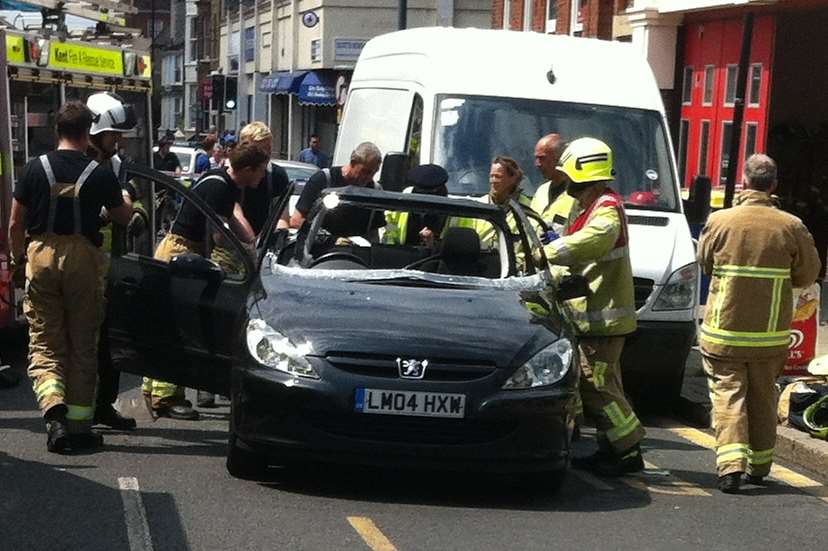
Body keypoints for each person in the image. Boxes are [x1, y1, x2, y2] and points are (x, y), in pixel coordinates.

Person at [8, 101, 133, 453]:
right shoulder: (99, 172)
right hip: (82, 260)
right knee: (82, 345)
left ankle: (53, 414)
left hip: (41, 256)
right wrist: (127, 199)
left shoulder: (35, 169)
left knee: (45, 342)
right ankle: (80, 427)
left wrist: (19, 261)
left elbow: (16, 223)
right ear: (86, 133)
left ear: (58, 131)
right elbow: (123, 217)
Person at [697, 154, 820, 494]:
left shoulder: (720, 221)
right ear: (774, 185)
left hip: (725, 331)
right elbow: (808, 274)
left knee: (728, 394)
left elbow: (705, 264)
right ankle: (761, 465)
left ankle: (731, 467)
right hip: (770, 335)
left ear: (745, 182)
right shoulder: (792, 226)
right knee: (764, 396)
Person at [142, 143, 268, 420]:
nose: (262, 177)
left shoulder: (222, 182)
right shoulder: (220, 186)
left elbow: (229, 226)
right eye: (260, 171)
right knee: (178, 325)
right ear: (247, 169)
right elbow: (220, 233)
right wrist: (241, 249)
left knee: (171, 323)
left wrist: (251, 243)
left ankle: (156, 389)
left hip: (188, 250)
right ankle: (165, 397)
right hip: (181, 251)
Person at [543, 137, 645, 476]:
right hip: (591, 317)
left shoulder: (605, 207)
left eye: (567, 173)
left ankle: (627, 448)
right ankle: (613, 447)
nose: (564, 179)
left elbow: (592, 241)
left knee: (598, 387)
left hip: (603, 319)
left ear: (582, 174)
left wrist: (549, 252)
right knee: (602, 385)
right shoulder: (585, 204)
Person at [196, 121, 290, 408]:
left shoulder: (277, 176)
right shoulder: (227, 178)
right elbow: (231, 213)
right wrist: (250, 242)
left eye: (268, 149)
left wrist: (277, 238)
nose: (265, 157)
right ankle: (208, 382)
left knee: (254, 318)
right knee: (218, 313)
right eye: (260, 150)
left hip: (259, 250)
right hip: (230, 247)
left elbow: (282, 212)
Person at [86, 91, 143, 431]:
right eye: (113, 135)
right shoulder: (79, 164)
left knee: (113, 343)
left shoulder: (119, 166)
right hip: (85, 266)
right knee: (82, 343)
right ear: (95, 132)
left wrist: (140, 214)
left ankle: (104, 405)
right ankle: (76, 409)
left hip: (114, 268)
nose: (118, 141)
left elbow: (138, 198)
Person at [290, 142, 385, 239]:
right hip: (319, 250)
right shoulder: (323, 180)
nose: (369, 178)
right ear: (353, 162)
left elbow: (374, 234)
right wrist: (326, 238)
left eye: (374, 173)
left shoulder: (374, 191)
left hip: (357, 252)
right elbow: (296, 220)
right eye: (365, 172)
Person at [383, 164, 449, 247]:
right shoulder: (400, 203)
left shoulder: (458, 211)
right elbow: (387, 239)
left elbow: (460, 248)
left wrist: (433, 244)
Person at [530, 133, 579, 234]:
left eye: (542, 158)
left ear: (560, 159)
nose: (537, 164)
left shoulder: (578, 194)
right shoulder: (541, 191)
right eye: (536, 158)